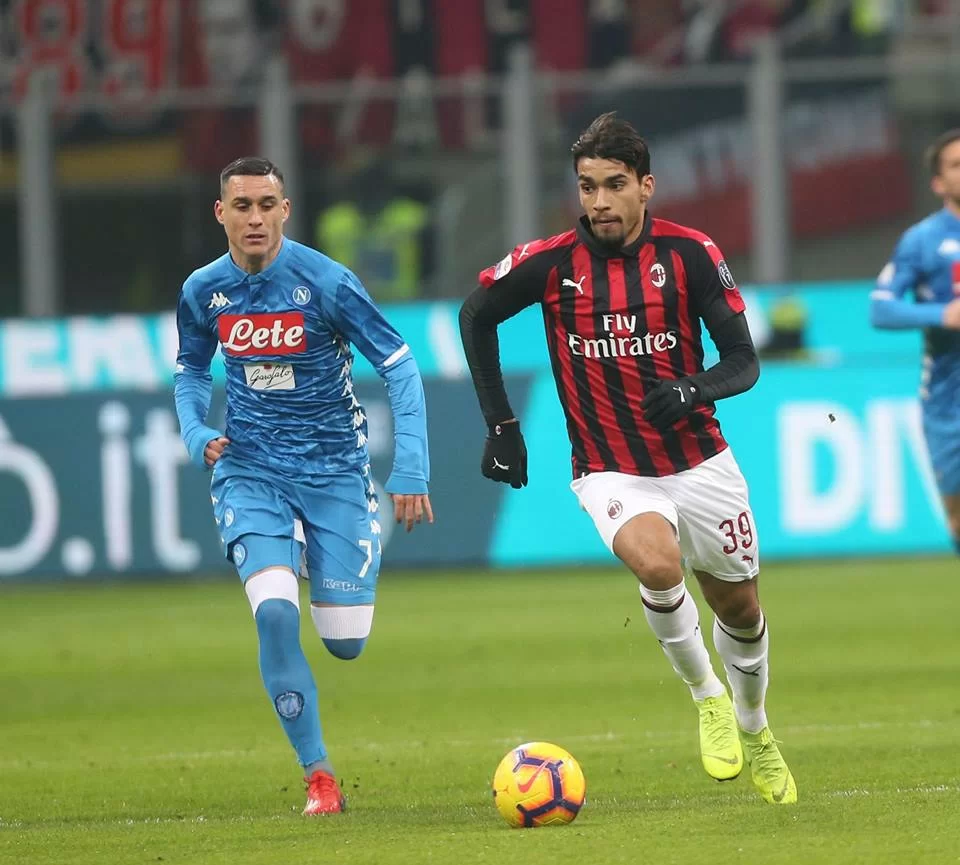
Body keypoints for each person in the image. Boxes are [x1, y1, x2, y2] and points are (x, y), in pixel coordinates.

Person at [458, 112, 796, 805]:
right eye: (587, 187)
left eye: (615, 185)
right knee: (658, 564)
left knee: (740, 607)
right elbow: (476, 314)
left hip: (699, 461)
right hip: (609, 466)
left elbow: (744, 360)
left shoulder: (690, 254)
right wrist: (502, 424)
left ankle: (755, 727)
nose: (600, 201)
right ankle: (707, 698)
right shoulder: (551, 263)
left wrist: (693, 388)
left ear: (646, 186)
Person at [174, 156, 433, 816]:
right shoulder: (203, 291)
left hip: (334, 473)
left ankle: (318, 552)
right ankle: (319, 776)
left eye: (267, 204)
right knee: (274, 613)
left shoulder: (327, 283)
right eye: (242, 206)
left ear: (285, 210)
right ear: (221, 213)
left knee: (344, 640)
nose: (255, 217)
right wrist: (194, 429)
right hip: (250, 471)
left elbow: (400, 366)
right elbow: (191, 370)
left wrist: (410, 467)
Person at [871, 129, 960, 554]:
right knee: (957, 516)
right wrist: (941, 315)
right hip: (949, 399)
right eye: (956, 165)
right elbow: (881, 308)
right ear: (938, 183)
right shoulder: (923, 240)